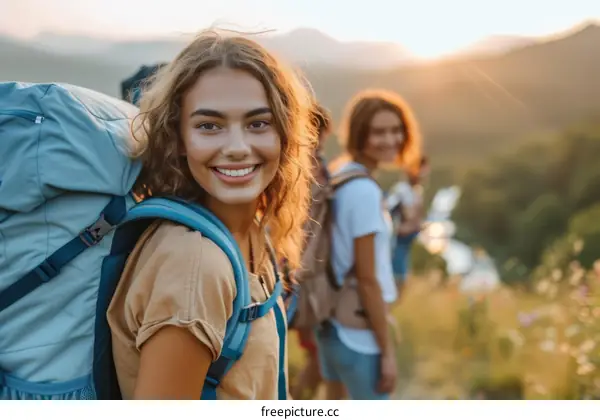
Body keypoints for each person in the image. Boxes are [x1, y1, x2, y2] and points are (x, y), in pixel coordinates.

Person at [106, 29, 317, 400]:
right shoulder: (194, 264)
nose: (237, 147)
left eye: (258, 123)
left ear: (284, 134)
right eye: (209, 126)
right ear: (179, 140)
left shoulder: (251, 233)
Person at [315, 89, 422, 400]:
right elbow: (367, 279)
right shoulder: (364, 191)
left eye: (396, 130)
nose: (390, 140)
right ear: (359, 134)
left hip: (330, 326)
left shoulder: (339, 173)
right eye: (378, 131)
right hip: (357, 330)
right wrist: (387, 352)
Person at [290, 103, 333, 400]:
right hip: (296, 269)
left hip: (316, 268)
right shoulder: (293, 167)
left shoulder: (322, 164)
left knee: (317, 351)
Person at [386, 156, 430, 293]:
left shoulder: (416, 191)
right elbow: (388, 211)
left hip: (407, 244)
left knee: (402, 280)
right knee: (397, 281)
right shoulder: (401, 191)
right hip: (396, 244)